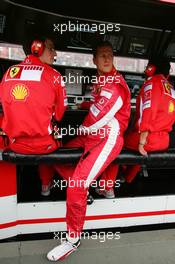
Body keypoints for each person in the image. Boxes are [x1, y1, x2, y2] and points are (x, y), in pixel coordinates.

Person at [47, 40, 131, 261]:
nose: (106, 58)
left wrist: (79, 127)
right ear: (93, 60)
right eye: (102, 55)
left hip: (107, 138)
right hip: (91, 134)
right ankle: (83, 193)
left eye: (109, 55)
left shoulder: (115, 83)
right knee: (54, 155)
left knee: (75, 185)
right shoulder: (100, 79)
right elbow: (95, 106)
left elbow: (100, 116)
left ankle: (73, 239)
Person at [0, 35, 67, 195]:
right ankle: (45, 185)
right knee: (55, 131)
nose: (55, 54)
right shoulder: (55, 76)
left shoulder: (9, 72)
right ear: (37, 47)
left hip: (14, 144)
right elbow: (59, 114)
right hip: (44, 146)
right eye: (51, 48)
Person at [98, 56, 175, 187]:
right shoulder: (170, 88)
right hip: (164, 140)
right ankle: (127, 178)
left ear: (151, 69)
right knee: (138, 144)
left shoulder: (151, 83)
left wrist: (142, 141)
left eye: (147, 67)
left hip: (150, 139)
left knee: (116, 142)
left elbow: (149, 112)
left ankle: (107, 186)